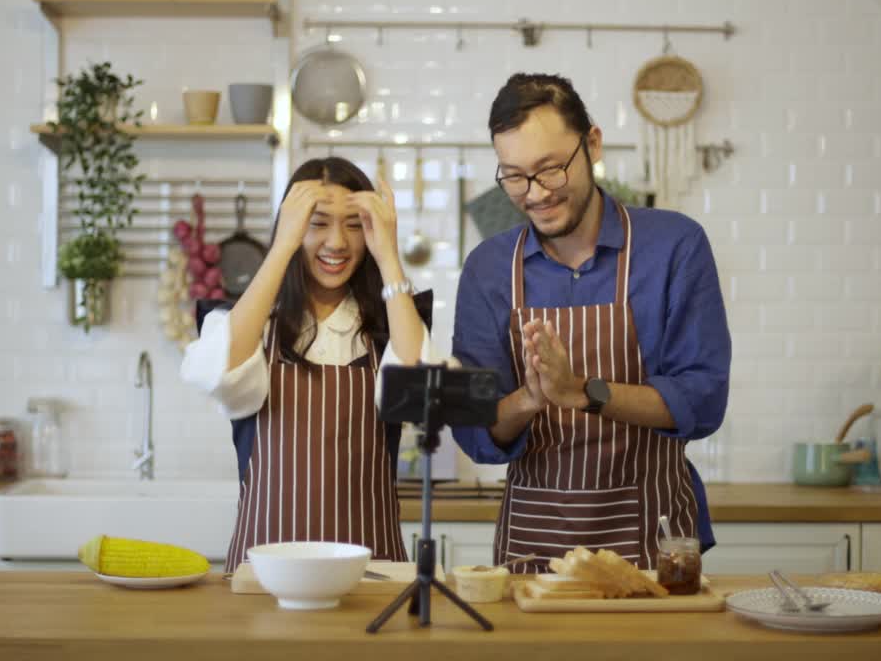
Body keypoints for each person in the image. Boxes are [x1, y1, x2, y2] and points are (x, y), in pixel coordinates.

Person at [451, 73, 731, 573]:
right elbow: (477, 433)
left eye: (550, 169)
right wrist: (531, 399)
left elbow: (703, 399)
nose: (534, 193)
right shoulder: (488, 268)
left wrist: (585, 392)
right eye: (514, 176)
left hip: (654, 540)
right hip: (533, 550)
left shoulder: (673, 247)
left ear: (593, 145)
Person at [181, 157, 435, 571]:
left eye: (354, 224)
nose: (337, 242)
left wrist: (389, 255)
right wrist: (282, 246)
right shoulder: (249, 325)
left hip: (370, 575)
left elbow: (419, 397)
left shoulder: (392, 326)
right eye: (317, 223)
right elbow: (219, 372)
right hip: (264, 576)